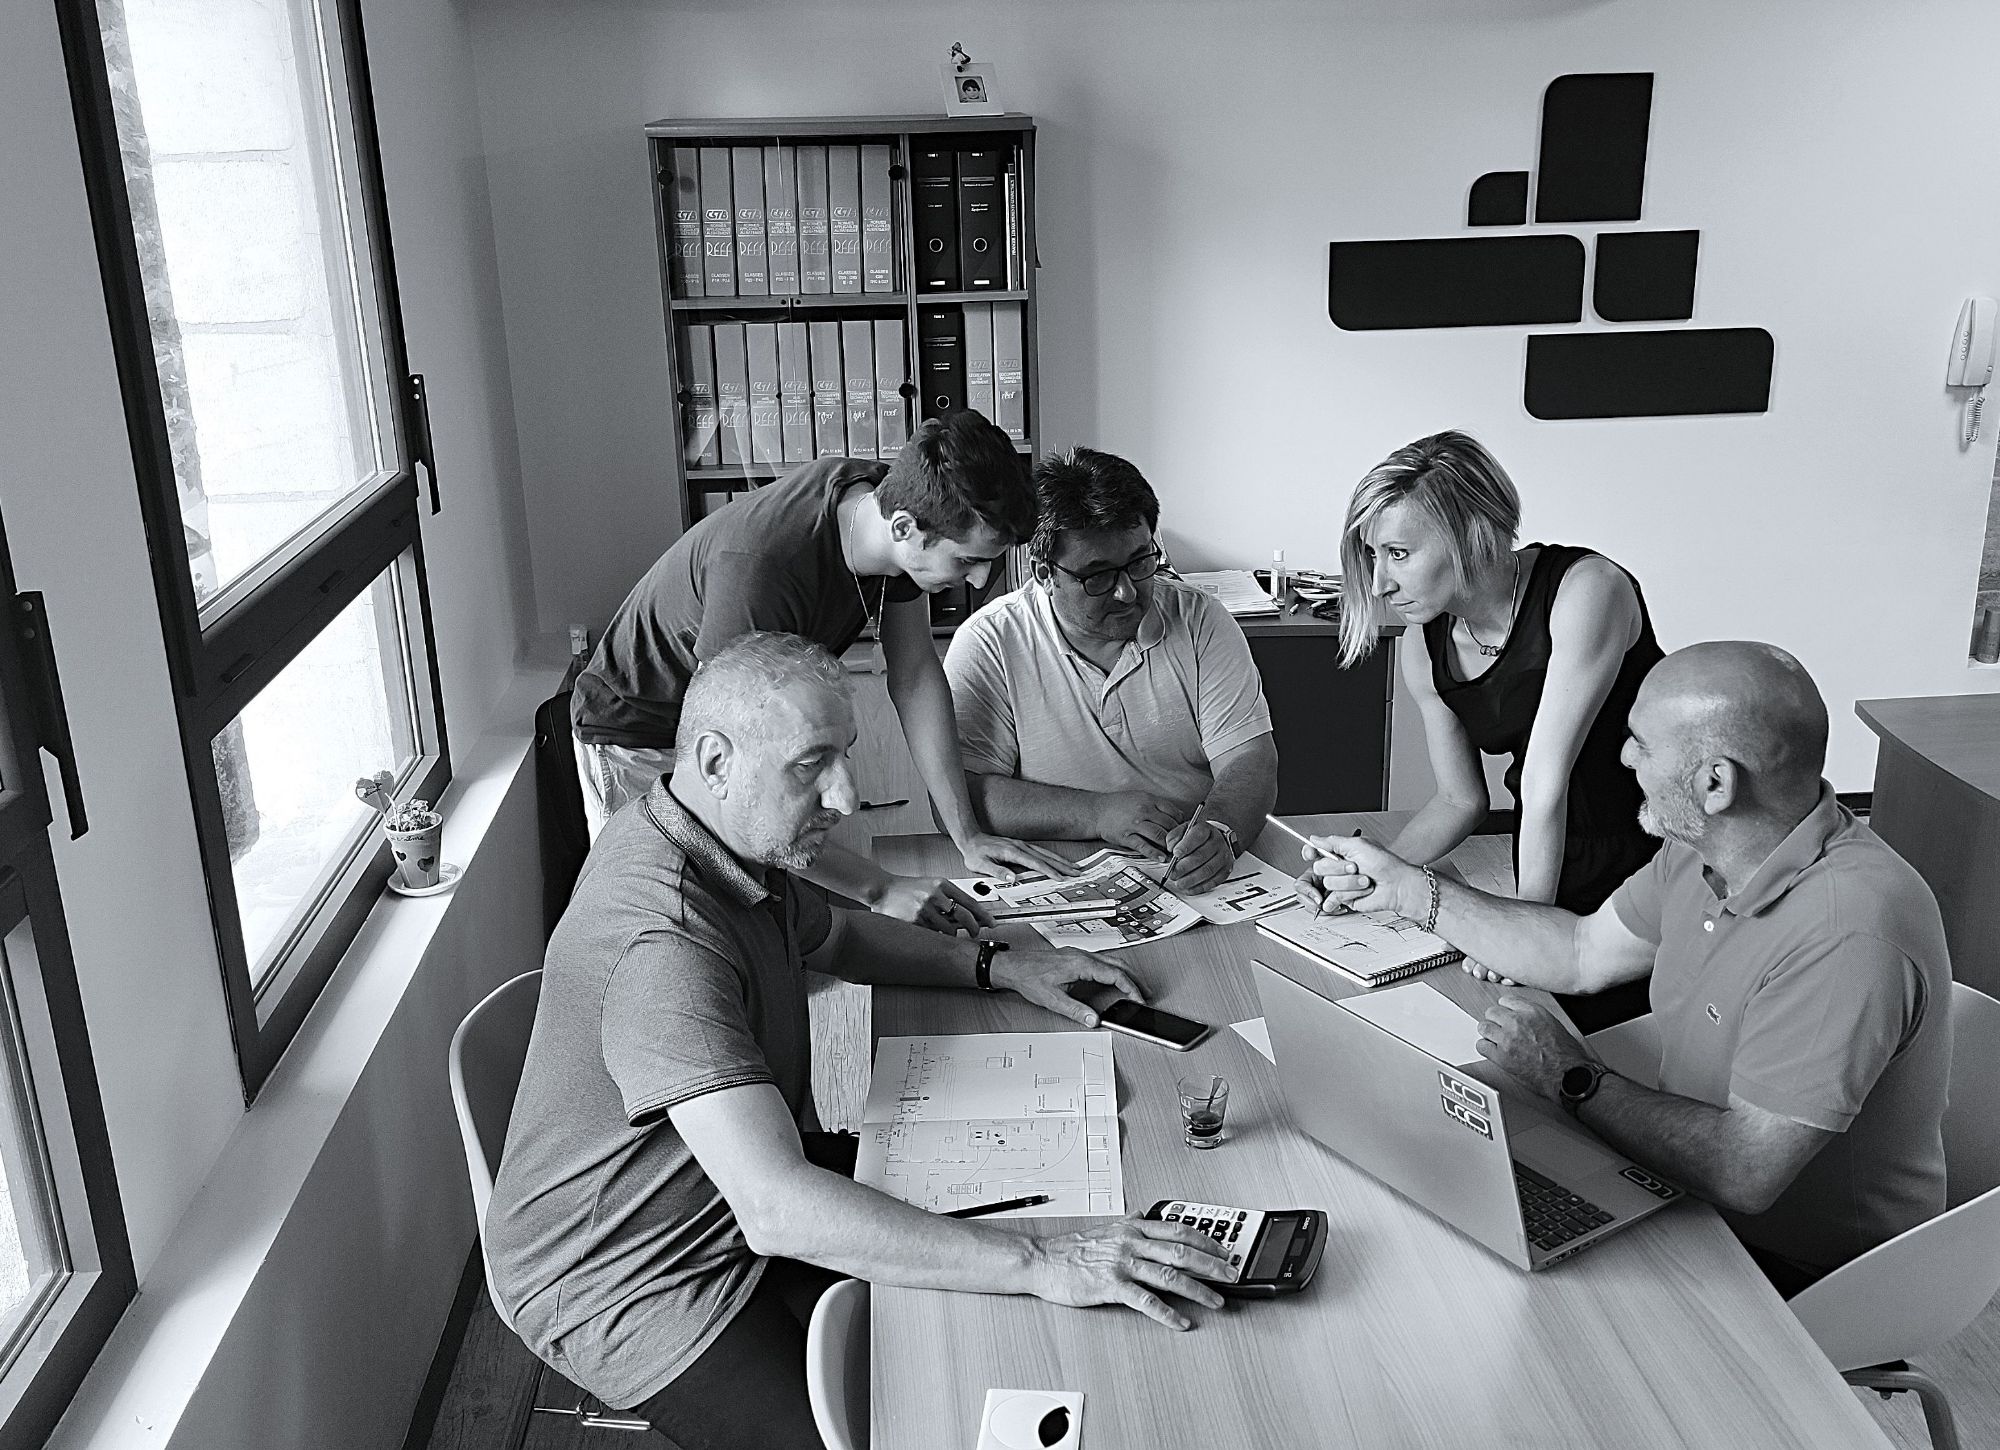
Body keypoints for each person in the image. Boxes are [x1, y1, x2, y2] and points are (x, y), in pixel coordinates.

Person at [488, 634, 1233, 1449]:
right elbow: (777, 1211)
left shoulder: (716, 835)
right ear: (714, 761)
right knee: (905, 1411)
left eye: (844, 755)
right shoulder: (663, 943)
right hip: (636, 1276)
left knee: (1029, 1228)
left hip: (732, 1188)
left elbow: (836, 940)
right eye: (812, 764)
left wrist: (999, 965)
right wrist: (1045, 1263)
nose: (846, 795)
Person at [1299, 642, 1952, 1297]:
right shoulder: (1707, 852)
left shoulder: (1847, 930)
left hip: (1795, 1268)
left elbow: (1745, 1170)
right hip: (1685, 1182)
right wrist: (1407, 892)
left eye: (1641, 743)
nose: (1623, 758)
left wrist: (1571, 1077)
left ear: (1714, 783)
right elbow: (1581, 952)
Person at [571, 411, 1067, 930]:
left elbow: (916, 675)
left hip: (731, 724)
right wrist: (881, 888)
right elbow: (741, 773)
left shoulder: (889, 510)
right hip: (641, 731)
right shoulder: (764, 571)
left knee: (756, 921)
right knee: (674, 924)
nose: (982, 579)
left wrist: (968, 836)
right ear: (904, 529)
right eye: (967, 561)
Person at [1336, 430, 1664, 1030]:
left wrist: (1522, 929)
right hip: (1542, 848)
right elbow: (1461, 799)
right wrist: (1370, 871)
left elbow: (1544, 783)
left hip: (1650, 846)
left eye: (1398, 553)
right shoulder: (1423, 644)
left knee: (1631, 1044)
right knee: (1535, 1037)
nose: (1379, 581)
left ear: (1472, 530)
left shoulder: (1587, 590)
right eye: (1373, 556)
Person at [943, 447, 1278, 894]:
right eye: (1096, 576)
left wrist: (1221, 831)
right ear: (1044, 572)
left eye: (1140, 563)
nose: (1126, 593)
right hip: (1058, 870)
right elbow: (955, 797)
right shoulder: (991, 641)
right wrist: (1099, 814)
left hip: (1188, 871)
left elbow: (1250, 758)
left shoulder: (1200, 620)